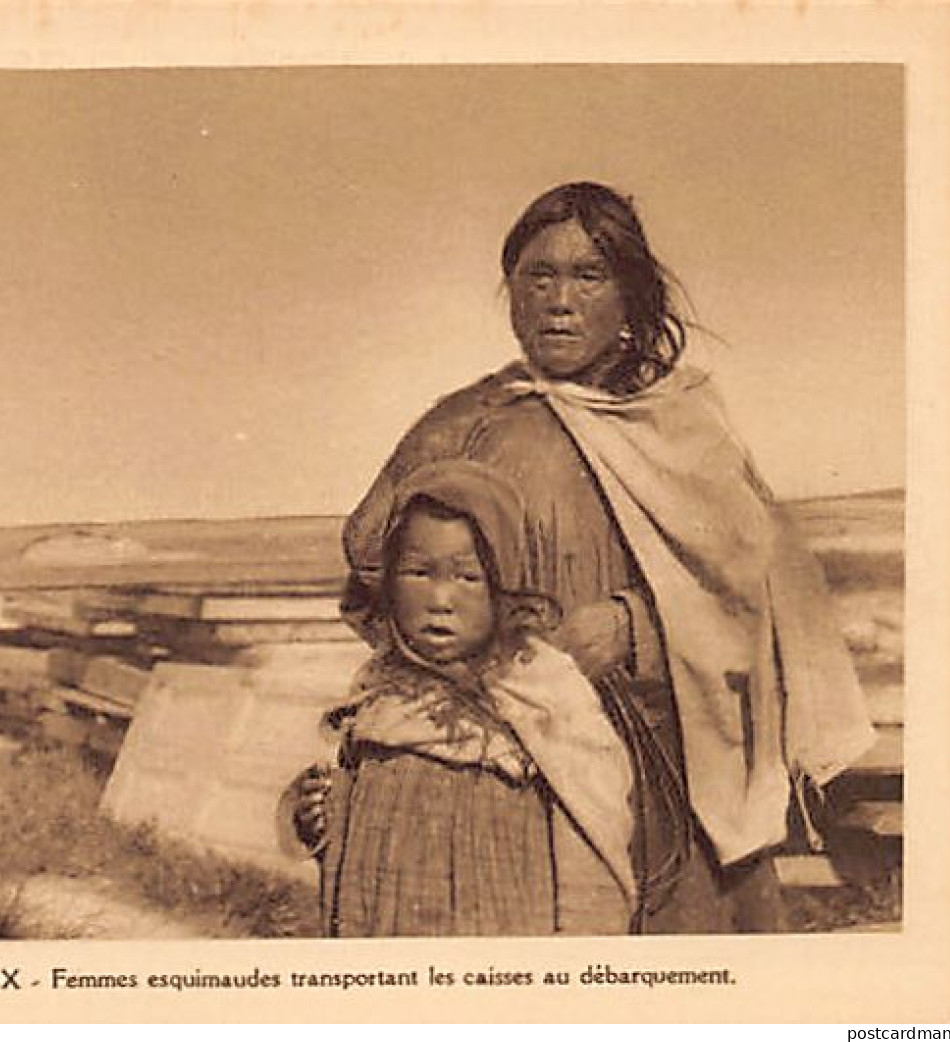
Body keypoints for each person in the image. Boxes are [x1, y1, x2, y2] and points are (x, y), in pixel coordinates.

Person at [335, 181, 875, 934]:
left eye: (587, 276)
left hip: (669, 775)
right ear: (511, 292)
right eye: (537, 275)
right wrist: (478, 680)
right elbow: (375, 581)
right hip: (503, 779)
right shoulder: (460, 423)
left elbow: (764, 592)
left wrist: (634, 628)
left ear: (628, 298)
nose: (559, 300)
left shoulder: (684, 427)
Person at [300, 459, 636, 937]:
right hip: (379, 921)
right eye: (418, 573)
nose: (441, 599)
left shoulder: (544, 696)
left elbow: (592, 838)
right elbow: (343, 810)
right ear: (388, 585)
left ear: (505, 588)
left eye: (467, 577)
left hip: (501, 920)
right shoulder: (378, 691)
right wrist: (317, 815)